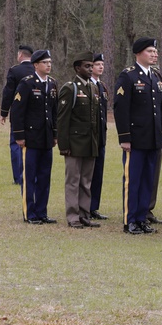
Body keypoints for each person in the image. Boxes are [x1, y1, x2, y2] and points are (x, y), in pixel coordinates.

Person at [113, 38, 162, 234]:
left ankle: (143, 217)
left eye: (155, 51)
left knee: (148, 180)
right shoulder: (128, 76)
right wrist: (125, 137)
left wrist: (161, 135)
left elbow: (160, 108)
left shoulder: (156, 77)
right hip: (135, 138)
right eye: (150, 51)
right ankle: (131, 220)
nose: (155, 54)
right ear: (138, 54)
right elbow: (121, 108)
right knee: (133, 179)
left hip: (152, 138)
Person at [12, 50, 58, 224]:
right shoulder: (27, 83)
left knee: (45, 176)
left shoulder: (52, 84)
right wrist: (19, 135)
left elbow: (54, 112)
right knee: (29, 176)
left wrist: (54, 134)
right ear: (36, 65)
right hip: (30, 138)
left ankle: (42, 212)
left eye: (50, 62)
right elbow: (17, 111)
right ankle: (29, 213)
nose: (48, 65)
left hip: (46, 138)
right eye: (45, 62)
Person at [57, 52, 102, 229]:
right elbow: (62, 119)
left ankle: (84, 214)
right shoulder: (70, 88)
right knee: (73, 181)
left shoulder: (93, 88)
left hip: (90, 143)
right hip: (74, 144)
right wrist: (64, 145)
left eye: (92, 66)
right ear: (77, 68)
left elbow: (95, 120)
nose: (91, 69)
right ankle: (73, 216)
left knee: (86, 181)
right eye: (87, 66)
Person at [1, 44, 35, 185]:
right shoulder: (37, 70)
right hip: (35, 115)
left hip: (18, 114)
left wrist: (4, 112)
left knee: (16, 145)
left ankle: (19, 177)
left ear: (20, 55)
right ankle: (32, 176)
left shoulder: (14, 71)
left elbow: (8, 93)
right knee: (33, 145)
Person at [88, 54, 110, 220]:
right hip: (88, 138)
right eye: (97, 64)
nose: (100, 67)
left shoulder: (102, 86)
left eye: (102, 64)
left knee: (98, 173)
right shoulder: (86, 85)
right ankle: (84, 206)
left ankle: (94, 207)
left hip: (101, 137)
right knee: (87, 173)